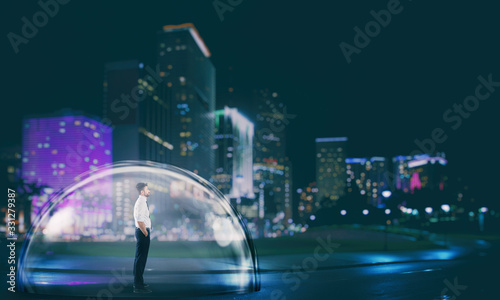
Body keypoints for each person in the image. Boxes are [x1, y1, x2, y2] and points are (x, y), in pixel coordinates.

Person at [133, 182, 152, 293]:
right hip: (142, 232)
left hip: (142, 232)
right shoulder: (141, 203)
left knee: (141, 259)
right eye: (147, 189)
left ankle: (139, 282)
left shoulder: (142, 202)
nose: (148, 191)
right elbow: (140, 220)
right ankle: (138, 286)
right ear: (142, 192)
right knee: (140, 259)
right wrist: (145, 232)